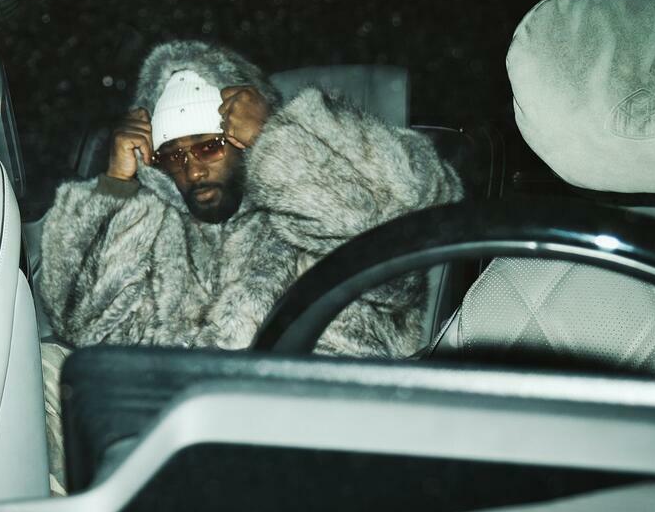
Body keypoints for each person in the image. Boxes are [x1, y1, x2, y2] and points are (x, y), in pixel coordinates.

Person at [34, 41, 463, 484]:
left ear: (243, 138)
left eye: (208, 147)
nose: (193, 171)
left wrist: (279, 141)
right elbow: (83, 326)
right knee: (38, 370)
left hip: (300, 426)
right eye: (174, 156)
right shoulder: (159, 222)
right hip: (165, 424)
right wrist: (116, 187)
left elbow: (408, 230)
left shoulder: (314, 202)